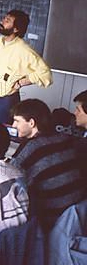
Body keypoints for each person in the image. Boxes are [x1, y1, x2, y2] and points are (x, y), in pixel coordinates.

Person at [10, 99, 86, 231]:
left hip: (53, 220)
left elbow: (7, 177)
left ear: (32, 123)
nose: (13, 125)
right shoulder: (64, 138)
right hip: (77, 215)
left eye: (17, 121)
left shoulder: (32, 147)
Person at [0, 9, 52, 125]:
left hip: (7, 101)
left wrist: (22, 82)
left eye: (7, 20)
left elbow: (46, 74)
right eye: (4, 18)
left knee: (0, 135)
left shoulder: (24, 50)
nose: (2, 21)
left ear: (16, 29)